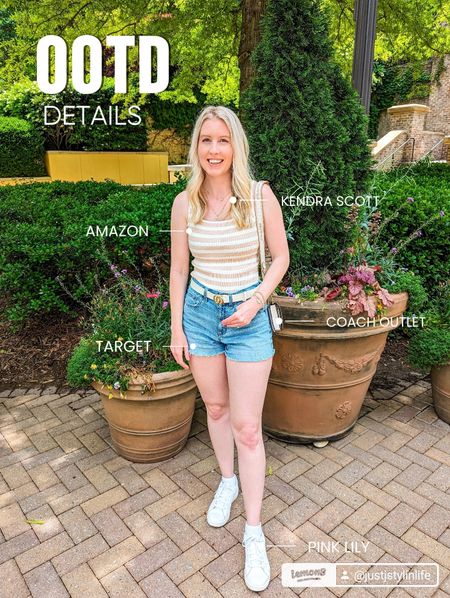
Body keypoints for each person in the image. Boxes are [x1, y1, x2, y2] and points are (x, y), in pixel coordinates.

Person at [169, 105, 289, 592]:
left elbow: (280, 258)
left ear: (235, 145)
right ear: (196, 147)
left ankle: (254, 531)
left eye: (222, 140)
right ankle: (226, 481)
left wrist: (256, 301)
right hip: (200, 315)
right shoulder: (184, 203)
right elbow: (179, 270)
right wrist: (176, 327)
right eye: (205, 140)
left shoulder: (259, 197)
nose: (214, 150)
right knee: (215, 408)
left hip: (248, 318)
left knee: (247, 427)